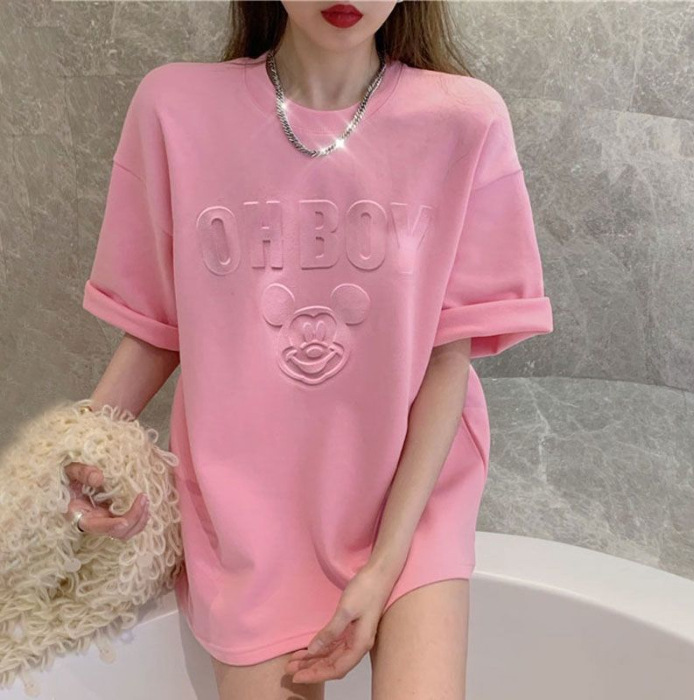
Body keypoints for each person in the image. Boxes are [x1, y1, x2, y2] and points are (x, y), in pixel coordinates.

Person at [67, 1, 554, 698]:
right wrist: (78, 455)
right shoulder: (175, 110)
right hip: (248, 514)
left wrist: (383, 568)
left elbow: (446, 358)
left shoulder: (463, 120)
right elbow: (157, 326)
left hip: (411, 496)